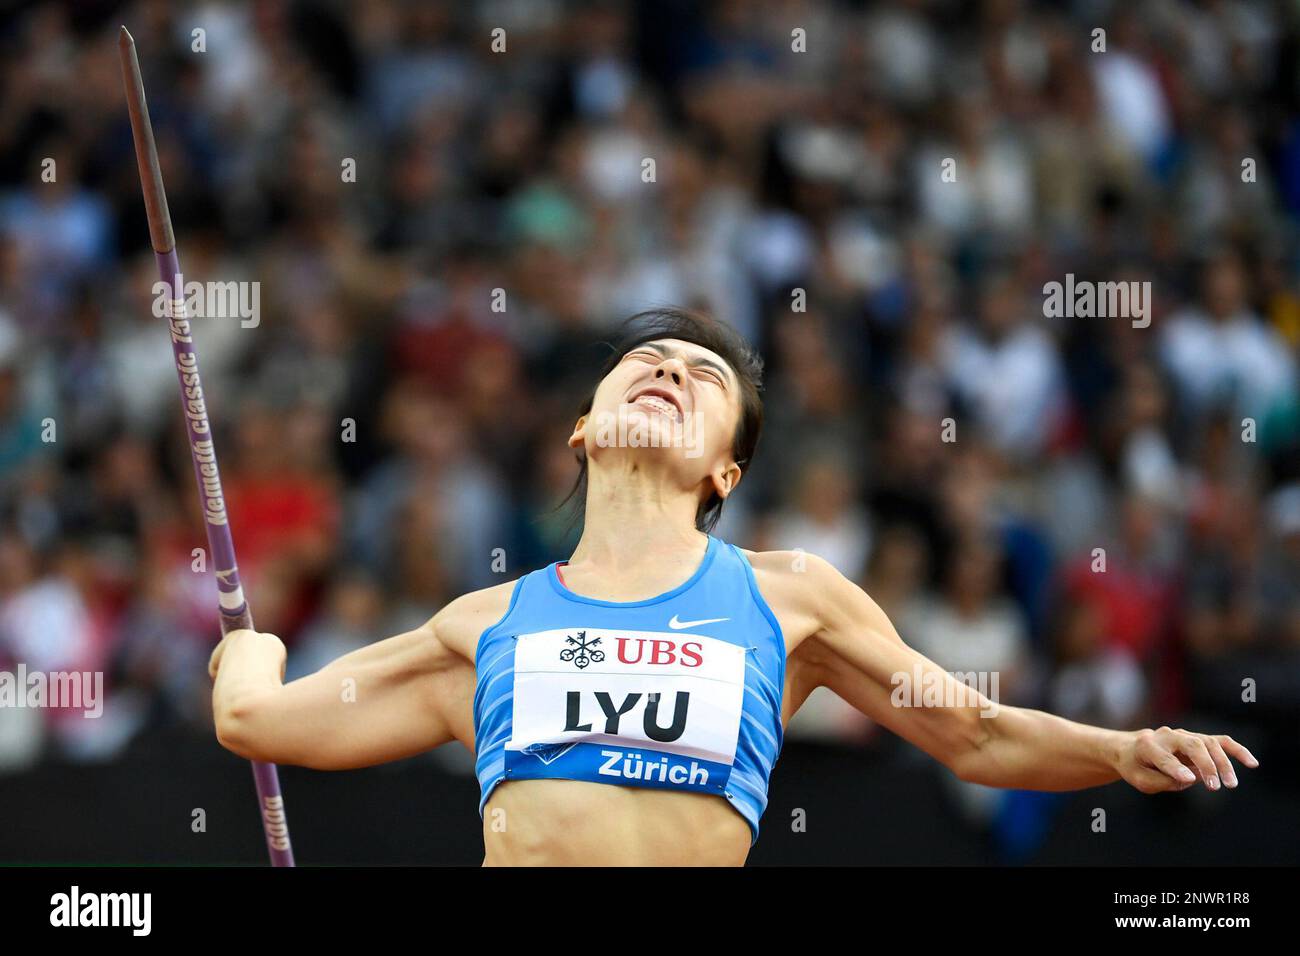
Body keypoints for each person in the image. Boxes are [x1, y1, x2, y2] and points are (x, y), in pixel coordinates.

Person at [207, 307, 1258, 866]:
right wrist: (246, 649)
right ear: (582, 427)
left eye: (701, 377)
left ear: (727, 473)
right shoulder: (484, 623)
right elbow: (258, 720)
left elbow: (974, 732)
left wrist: (1117, 749)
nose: (669, 370)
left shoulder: (788, 597)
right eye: (646, 362)